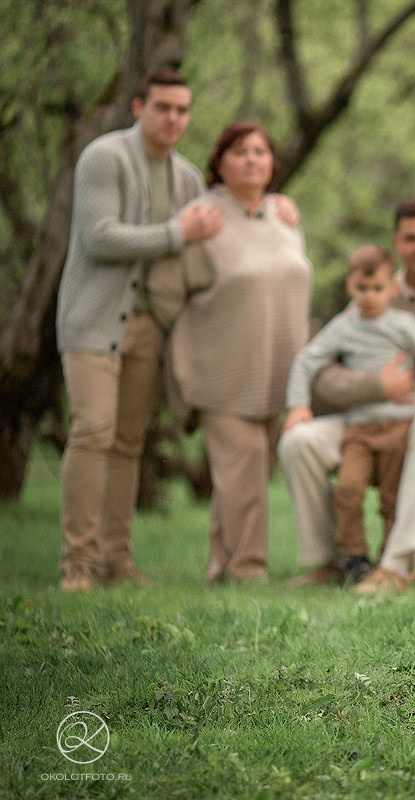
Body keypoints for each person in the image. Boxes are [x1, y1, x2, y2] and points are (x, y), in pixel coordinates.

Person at [55, 69, 222, 591]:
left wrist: (279, 211)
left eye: (182, 110)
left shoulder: (189, 178)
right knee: (93, 432)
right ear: (137, 107)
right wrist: (177, 233)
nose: (173, 118)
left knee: (128, 443)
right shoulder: (104, 158)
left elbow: (218, 225)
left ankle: (115, 564)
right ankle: (76, 564)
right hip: (94, 320)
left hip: (150, 327)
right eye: (163, 108)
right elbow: (99, 237)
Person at [278, 197, 415, 592]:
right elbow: (324, 376)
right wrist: (378, 385)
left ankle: (397, 565)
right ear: (397, 243)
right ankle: (331, 561)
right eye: (410, 239)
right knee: (299, 442)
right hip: (372, 420)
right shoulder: (373, 290)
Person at [166, 122, 311, 583]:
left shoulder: (284, 218)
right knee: (242, 474)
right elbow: (168, 294)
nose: (252, 160)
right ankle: (250, 571)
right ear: (219, 162)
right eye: (239, 151)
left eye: (261, 152)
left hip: (277, 371)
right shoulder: (203, 218)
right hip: (221, 370)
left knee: (240, 478)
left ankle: (220, 567)